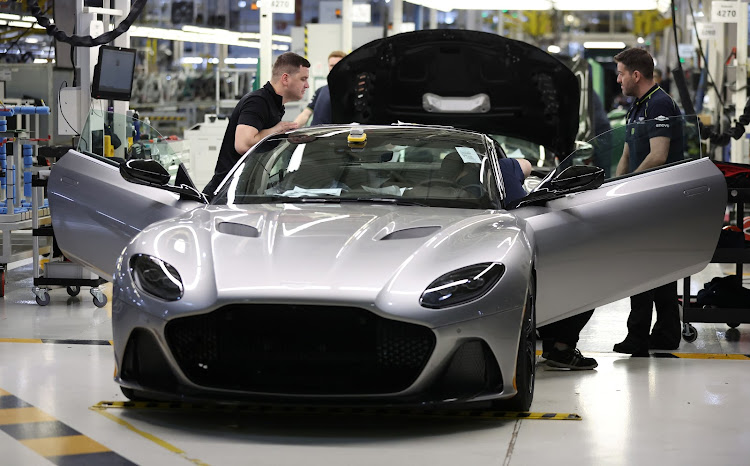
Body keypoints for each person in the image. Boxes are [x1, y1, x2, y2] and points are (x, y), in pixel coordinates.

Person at [612, 47, 683, 356]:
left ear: (636, 75)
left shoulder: (660, 104)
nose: (618, 79)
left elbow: (659, 154)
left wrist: (630, 185)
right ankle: (665, 334)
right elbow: (628, 153)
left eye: (621, 73)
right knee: (656, 269)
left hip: (659, 200)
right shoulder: (638, 106)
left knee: (641, 267)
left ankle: (638, 336)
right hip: (642, 198)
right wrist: (612, 188)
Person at [499, 156, 598, 370]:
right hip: (525, 243)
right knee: (589, 278)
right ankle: (561, 348)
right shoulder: (502, 166)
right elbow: (526, 165)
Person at [203, 52, 310, 196]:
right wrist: (276, 129)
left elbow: (262, 140)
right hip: (226, 194)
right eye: (303, 79)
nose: (307, 85)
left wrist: (285, 139)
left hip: (246, 190)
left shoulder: (274, 104)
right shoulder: (258, 102)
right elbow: (243, 144)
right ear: (285, 78)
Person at [293, 51, 347, 127]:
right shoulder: (321, 91)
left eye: (337, 65)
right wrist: (291, 128)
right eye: (331, 65)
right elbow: (305, 114)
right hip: (315, 136)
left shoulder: (351, 92)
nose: (334, 68)